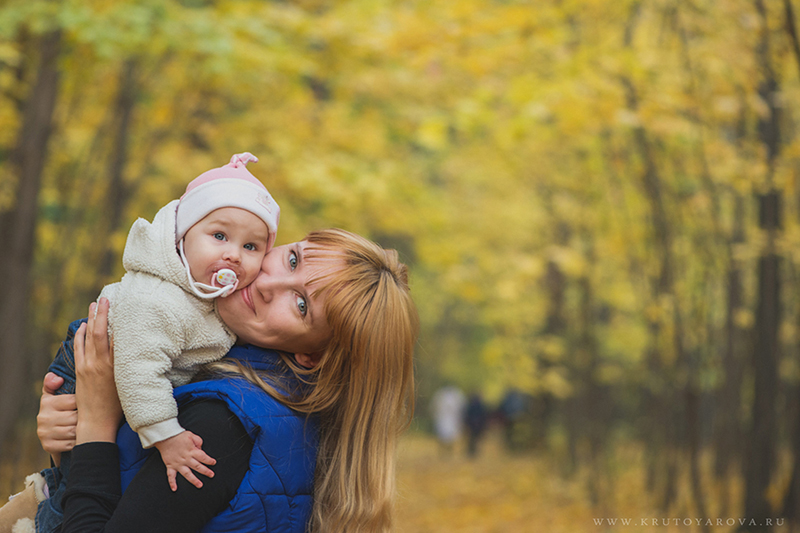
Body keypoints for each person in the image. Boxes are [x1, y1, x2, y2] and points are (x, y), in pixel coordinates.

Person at [32, 228, 418, 533]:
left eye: (301, 305)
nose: (268, 284)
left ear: (312, 356)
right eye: (292, 258)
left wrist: (95, 425)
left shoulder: (225, 424)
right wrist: (70, 443)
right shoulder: (224, 366)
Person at [430, 385, 466, 456]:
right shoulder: (441, 395)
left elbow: (462, 408)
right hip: (444, 419)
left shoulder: (456, 395)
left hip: (452, 419)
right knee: (443, 436)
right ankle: (443, 452)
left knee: (450, 437)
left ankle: (448, 451)